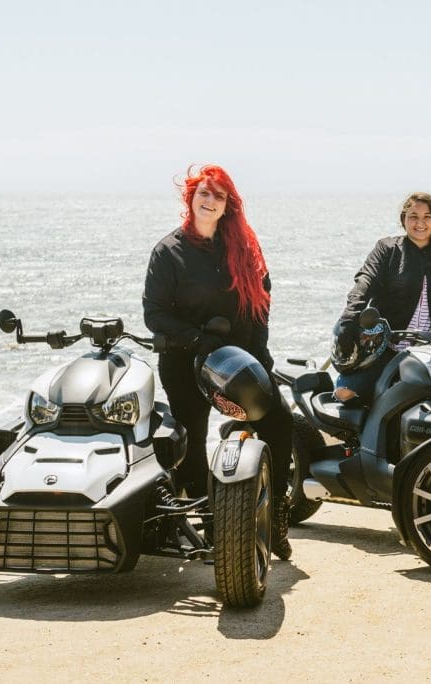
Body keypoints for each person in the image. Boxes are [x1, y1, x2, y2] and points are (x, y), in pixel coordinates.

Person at [142, 164, 293, 560]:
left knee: (278, 422)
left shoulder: (244, 248)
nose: (210, 201)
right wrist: (197, 339)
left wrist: (261, 357)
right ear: (190, 199)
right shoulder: (168, 252)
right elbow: (154, 315)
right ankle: (214, 527)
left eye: (218, 196)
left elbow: (261, 307)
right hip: (185, 361)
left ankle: (274, 514)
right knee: (191, 440)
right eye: (203, 193)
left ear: (229, 205)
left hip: (240, 362)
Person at [333, 192, 431, 404]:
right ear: (404, 220)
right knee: (345, 393)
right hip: (386, 346)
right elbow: (364, 283)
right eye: (413, 216)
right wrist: (349, 319)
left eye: (427, 216)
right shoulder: (387, 249)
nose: (420, 222)